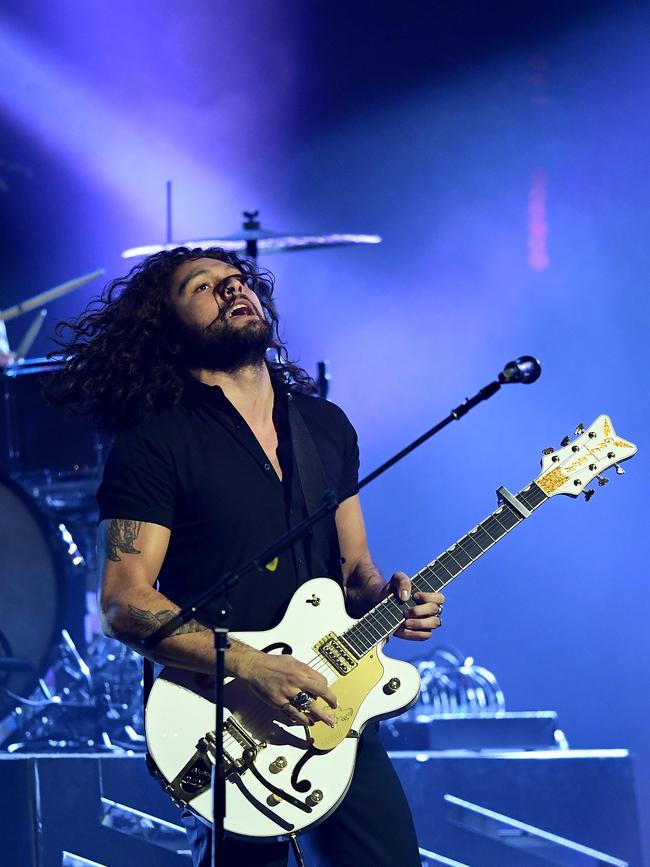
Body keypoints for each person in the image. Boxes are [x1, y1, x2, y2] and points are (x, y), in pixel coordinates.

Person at [49, 247, 445, 867]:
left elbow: (353, 569)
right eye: (202, 287)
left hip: (331, 706)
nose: (231, 290)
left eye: (237, 280)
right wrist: (253, 666)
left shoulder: (325, 426)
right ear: (170, 329)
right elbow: (125, 601)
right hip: (223, 723)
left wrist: (391, 600)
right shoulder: (155, 440)